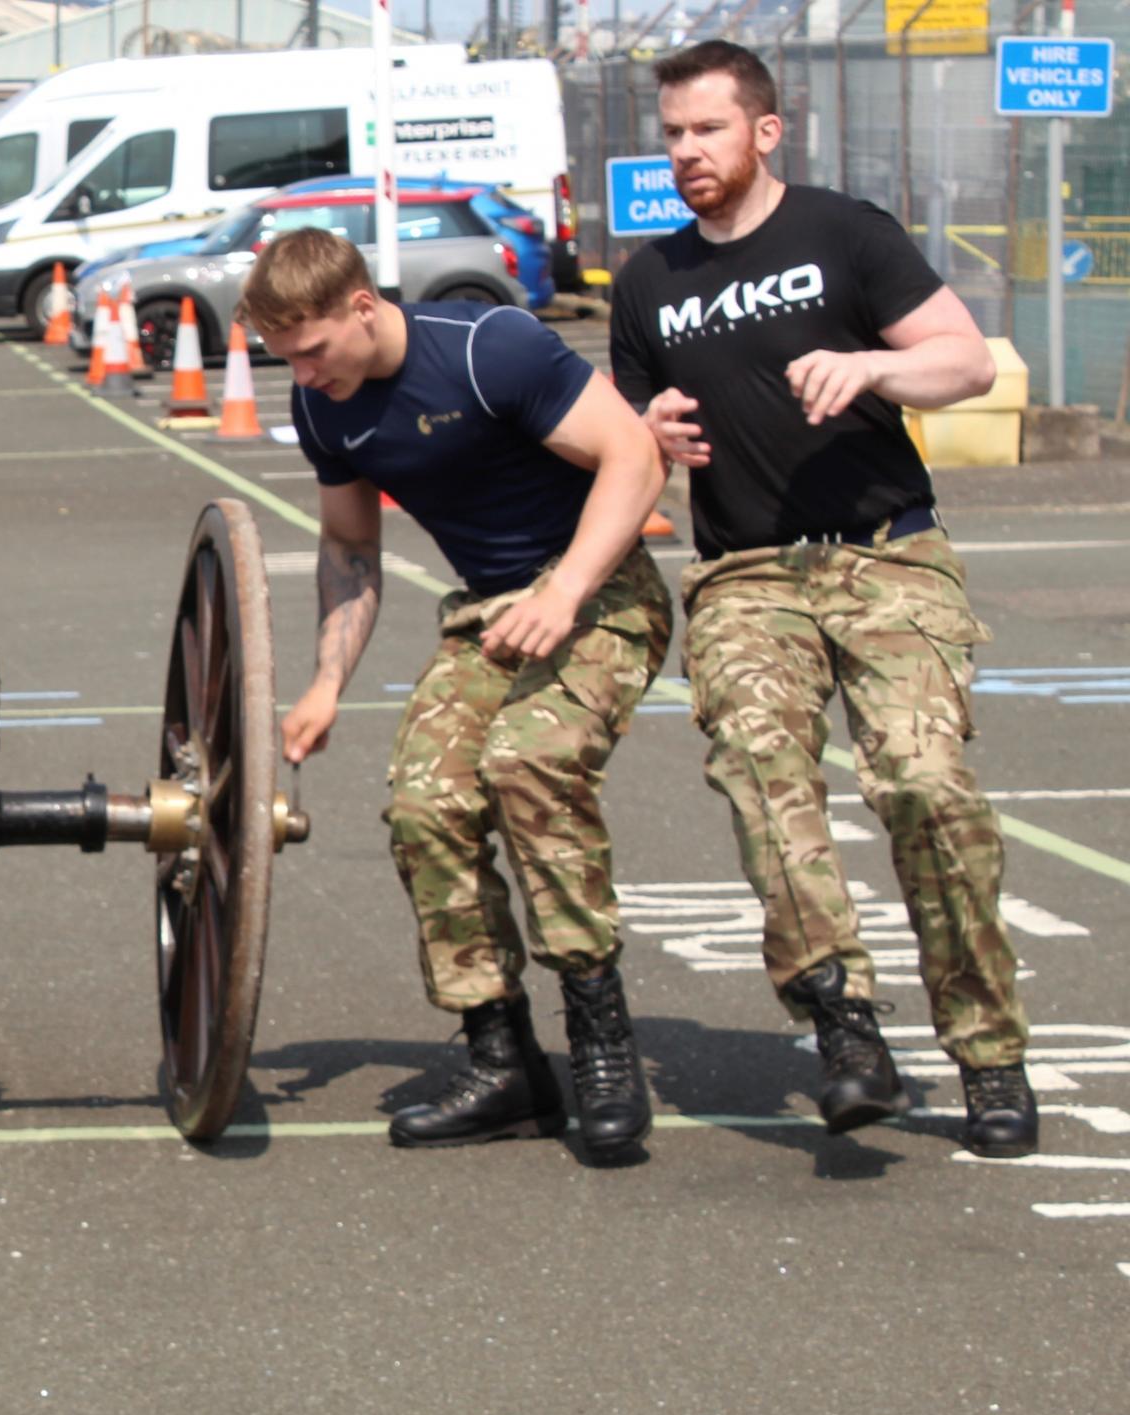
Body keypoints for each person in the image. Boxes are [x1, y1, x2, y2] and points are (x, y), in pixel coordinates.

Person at [611, 40, 1034, 1158]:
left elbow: (967, 360)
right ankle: (842, 1021)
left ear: (765, 128)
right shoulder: (650, 280)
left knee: (925, 785)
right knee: (762, 771)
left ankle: (988, 1051)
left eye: (707, 129)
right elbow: (621, 443)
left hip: (887, 554)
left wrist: (875, 369)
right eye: (673, 135)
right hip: (747, 574)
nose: (687, 153)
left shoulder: (845, 233)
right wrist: (641, 437)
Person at [252, 229, 672, 1160]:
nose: (305, 375)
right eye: (285, 359)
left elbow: (636, 457)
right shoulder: (325, 407)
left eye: (314, 350)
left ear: (363, 306)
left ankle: (603, 1042)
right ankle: (504, 1059)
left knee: (530, 764)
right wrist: (326, 683)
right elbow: (351, 549)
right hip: (489, 613)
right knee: (423, 804)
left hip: (602, 593)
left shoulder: (490, 348)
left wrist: (564, 590)